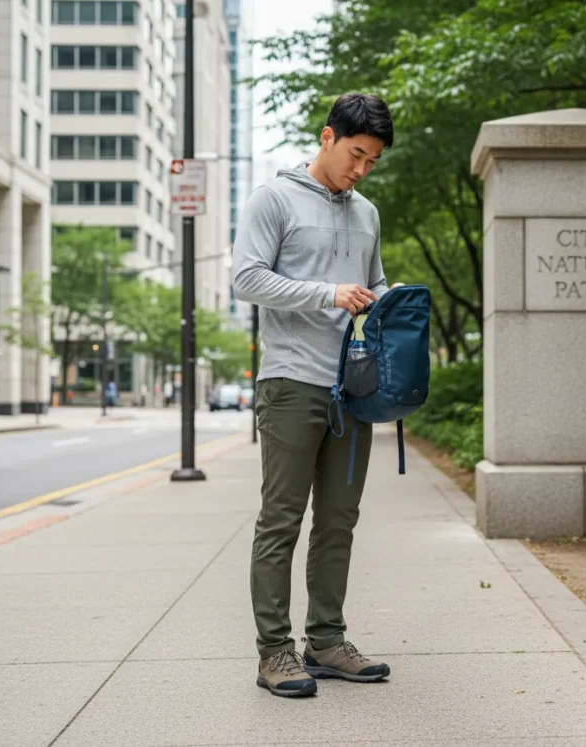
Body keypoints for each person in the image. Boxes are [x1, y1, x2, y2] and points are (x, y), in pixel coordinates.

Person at [232, 92, 395, 698]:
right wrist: (328, 294)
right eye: (356, 155)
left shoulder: (368, 213)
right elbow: (247, 278)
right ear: (328, 138)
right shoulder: (273, 199)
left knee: (338, 521)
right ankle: (274, 653)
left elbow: (372, 282)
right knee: (281, 520)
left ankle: (325, 642)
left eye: (372, 161)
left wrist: (387, 295)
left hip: (353, 389)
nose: (361, 170)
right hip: (292, 381)